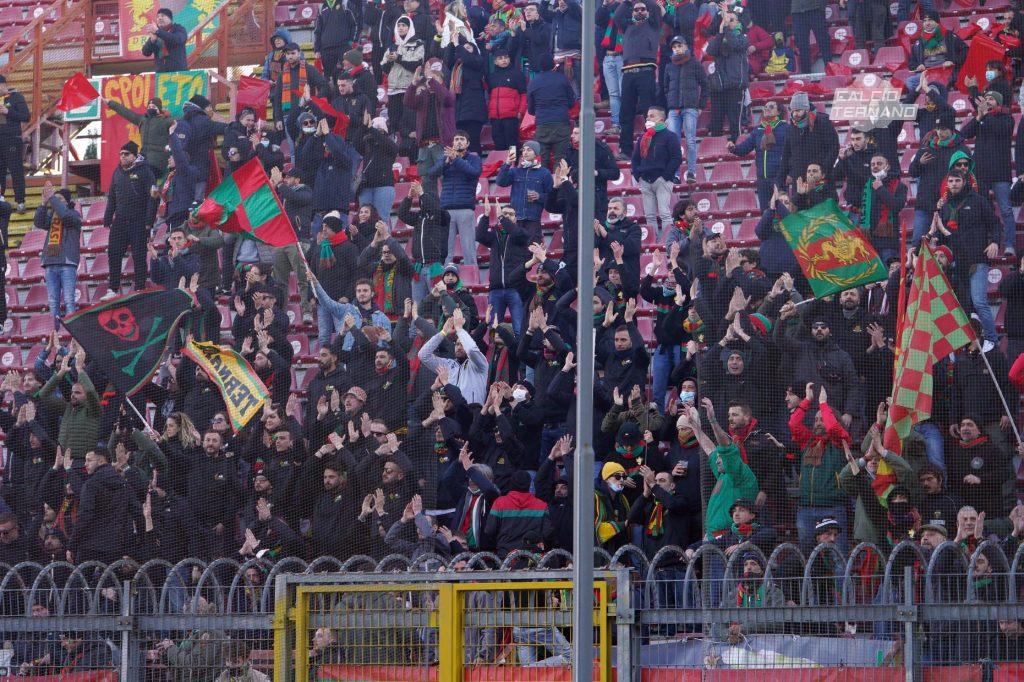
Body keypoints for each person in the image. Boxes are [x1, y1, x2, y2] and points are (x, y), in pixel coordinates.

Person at [933, 171, 1000, 350]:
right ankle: (965, 343)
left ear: (964, 182)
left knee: (979, 302)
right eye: (951, 181)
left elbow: (994, 223)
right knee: (961, 305)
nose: (954, 184)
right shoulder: (945, 206)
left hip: (977, 259)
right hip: (957, 264)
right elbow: (941, 236)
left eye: (957, 181)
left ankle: (992, 340)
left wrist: (994, 241)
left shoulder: (978, 200)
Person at [959, 89, 1016, 256]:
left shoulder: (1007, 118)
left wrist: (984, 115)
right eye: (986, 98)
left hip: (1000, 173)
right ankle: (985, 243)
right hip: (981, 173)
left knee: (1005, 209)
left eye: (991, 99)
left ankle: (1010, 245)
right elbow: (964, 134)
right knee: (981, 209)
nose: (988, 101)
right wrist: (978, 117)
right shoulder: (981, 118)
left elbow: (999, 130)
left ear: (998, 102)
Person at [612, 0, 662, 161]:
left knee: (649, 112)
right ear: (632, 12)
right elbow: (618, 15)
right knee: (625, 114)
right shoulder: (627, 26)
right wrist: (628, 2)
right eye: (636, 9)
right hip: (628, 73)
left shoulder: (654, 24)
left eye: (642, 9)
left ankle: (653, 147)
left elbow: (654, 7)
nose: (640, 11)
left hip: (646, 71)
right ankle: (625, 149)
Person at [33, 183, 82, 323]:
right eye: (55, 199)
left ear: (67, 201)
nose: (55, 201)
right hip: (50, 262)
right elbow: (38, 222)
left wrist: (52, 198)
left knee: (69, 301)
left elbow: (65, 215)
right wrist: (43, 203)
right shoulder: (52, 216)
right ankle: (55, 335)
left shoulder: (74, 215)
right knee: (53, 302)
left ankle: (72, 337)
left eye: (59, 199)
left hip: (67, 263)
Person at [631, 106, 682, 239]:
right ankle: (654, 242)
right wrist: (638, 175)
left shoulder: (670, 136)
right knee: (649, 216)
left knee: (665, 214)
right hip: (645, 180)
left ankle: (667, 242)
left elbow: (676, 158)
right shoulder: (643, 137)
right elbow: (635, 158)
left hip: (662, 180)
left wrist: (665, 176)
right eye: (647, 116)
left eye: (651, 116)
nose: (648, 118)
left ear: (661, 119)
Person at [662, 36, 707, 185]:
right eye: (674, 47)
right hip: (674, 110)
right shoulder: (669, 66)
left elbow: (705, 85)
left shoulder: (694, 63)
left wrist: (700, 106)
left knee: (690, 141)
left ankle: (691, 172)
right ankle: (675, 174)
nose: (677, 49)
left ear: (686, 46)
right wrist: (669, 104)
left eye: (679, 46)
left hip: (690, 108)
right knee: (673, 142)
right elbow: (665, 88)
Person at [728, 100, 788, 210]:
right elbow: (744, 149)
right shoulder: (758, 130)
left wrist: (790, 174)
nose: (767, 109)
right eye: (765, 107)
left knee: (782, 213)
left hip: (779, 178)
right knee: (766, 214)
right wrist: (733, 148)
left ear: (779, 111)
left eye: (771, 106)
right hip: (762, 180)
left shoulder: (785, 128)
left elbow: (792, 153)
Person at [434, 130, 482, 267]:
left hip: (465, 208)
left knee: (468, 249)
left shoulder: (474, 158)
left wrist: (456, 159)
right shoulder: (445, 158)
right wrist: (447, 161)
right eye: (456, 139)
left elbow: (474, 172)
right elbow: (432, 173)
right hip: (446, 210)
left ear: (467, 144)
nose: (458, 141)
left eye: (461, 139)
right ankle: (445, 281)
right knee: (445, 250)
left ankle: (473, 279)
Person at [494, 141, 553, 244]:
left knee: (532, 250)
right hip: (515, 218)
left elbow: (553, 197)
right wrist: (507, 164)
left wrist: (539, 196)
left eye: (529, 149)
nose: (525, 152)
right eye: (523, 150)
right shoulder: (515, 171)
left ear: (536, 153)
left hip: (533, 220)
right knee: (514, 251)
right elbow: (500, 182)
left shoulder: (545, 173)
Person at [103, 96, 173, 181]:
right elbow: (126, 113)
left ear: (159, 109)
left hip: (157, 162)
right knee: (132, 178)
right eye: (149, 107)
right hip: (144, 158)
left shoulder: (165, 121)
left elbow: (178, 125)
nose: (151, 109)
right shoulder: (142, 120)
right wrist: (111, 103)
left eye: (154, 107)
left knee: (144, 180)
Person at [705, 11, 749, 143]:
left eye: (731, 19)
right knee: (716, 123)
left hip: (734, 86)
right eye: (726, 19)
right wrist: (720, 32)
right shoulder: (719, 38)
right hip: (718, 87)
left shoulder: (743, 37)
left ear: (738, 23)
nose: (728, 22)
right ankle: (716, 150)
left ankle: (737, 149)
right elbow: (710, 51)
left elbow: (734, 44)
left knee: (735, 123)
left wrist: (725, 29)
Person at [525, 53, 576, 167]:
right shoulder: (562, 79)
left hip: (542, 124)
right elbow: (572, 101)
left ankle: (543, 184)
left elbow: (531, 109)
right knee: (561, 161)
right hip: (561, 123)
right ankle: (559, 184)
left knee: (542, 160)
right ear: (553, 64)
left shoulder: (533, 82)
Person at [486, 49, 527, 153]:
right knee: (498, 144)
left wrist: (520, 112)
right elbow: (490, 96)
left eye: (506, 58)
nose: (504, 60)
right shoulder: (491, 77)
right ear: (495, 62)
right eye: (500, 58)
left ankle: (512, 166)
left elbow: (524, 95)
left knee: (512, 144)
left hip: (511, 116)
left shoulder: (517, 74)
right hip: (495, 117)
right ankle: (501, 167)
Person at [314, 0, 359, 90]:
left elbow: (355, 24)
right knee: (329, 78)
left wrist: (351, 42)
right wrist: (317, 49)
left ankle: (347, 100)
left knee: (346, 75)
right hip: (326, 49)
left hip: (343, 47)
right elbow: (317, 31)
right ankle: (332, 101)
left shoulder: (345, 4)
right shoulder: (321, 7)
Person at [0, 75, 28, 212]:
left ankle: (20, 201)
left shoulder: (16, 97)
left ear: (2, 85)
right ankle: (1, 199)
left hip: (12, 139)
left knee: (16, 170)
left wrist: (8, 111)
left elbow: (25, 116)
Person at [140, 8, 187, 73]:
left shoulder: (178, 29)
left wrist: (158, 31)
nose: (159, 18)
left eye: (163, 16)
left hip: (178, 72)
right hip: (161, 74)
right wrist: (152, 40)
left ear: (170, 19)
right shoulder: (156, 33)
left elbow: (177, 39)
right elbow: (145, 52)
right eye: (158, 16)